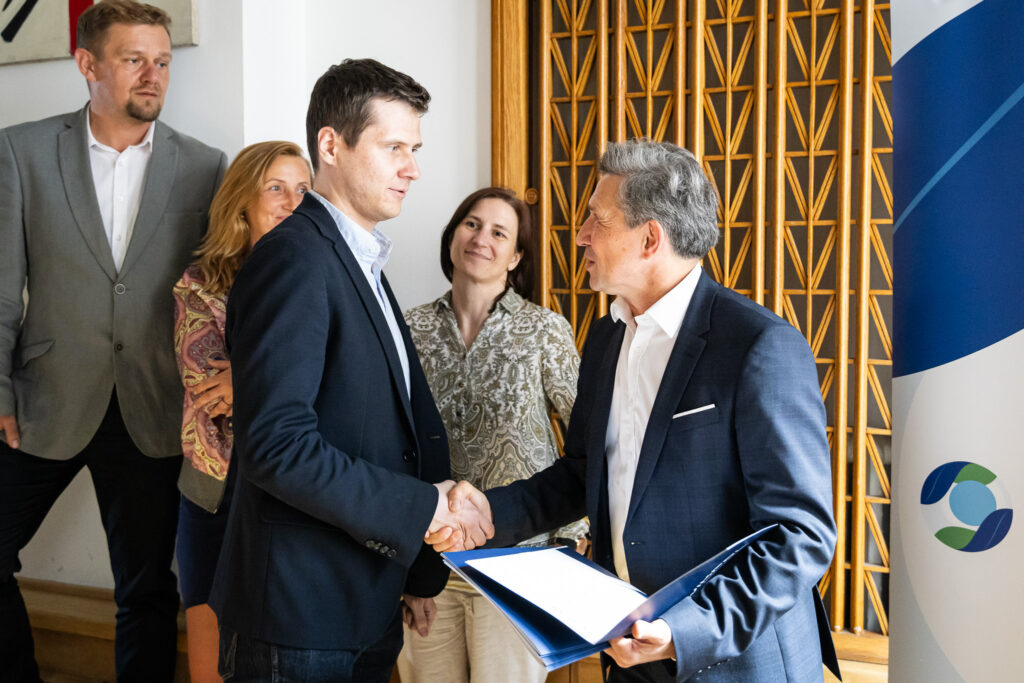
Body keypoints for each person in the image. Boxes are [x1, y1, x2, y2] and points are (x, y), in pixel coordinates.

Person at [434, 139, 838, 682]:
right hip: (627, 652)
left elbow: (798, 536)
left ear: (650, 238)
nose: (580, 235)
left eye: (596, 220)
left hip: (735, 663)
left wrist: (681, 632)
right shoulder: (606, 337)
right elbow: (581, 474)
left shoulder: (758, 345)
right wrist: (487, 511)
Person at [208, 58, 492, 683]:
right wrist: (420, 509)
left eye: (414, 150)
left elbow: (394, 426)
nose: (412, 168)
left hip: (366, 597)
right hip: (297, 611)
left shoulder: (358, 258)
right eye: (395, 148)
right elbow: (277, 447)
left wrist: (417, 571)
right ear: (331, 146)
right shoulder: (293, 258)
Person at [0, 1, 226, 681]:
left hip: (154, 406)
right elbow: (2, 289)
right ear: (87, 64)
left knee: (147, 588)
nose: (153, 75)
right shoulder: (21, 151)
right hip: (42, 401)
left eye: (162, 62)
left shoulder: (204, 165)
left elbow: (221, 288)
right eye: (134, 60)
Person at [399, 187, 588, 683]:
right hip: (427, 563)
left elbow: (588, 440)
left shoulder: (545, 330)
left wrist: (574, 536)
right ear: (452, 237)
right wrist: (402, 569)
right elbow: (390, 442)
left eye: (499, 232)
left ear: (516, 256)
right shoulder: (407, 329)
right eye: (472, 224)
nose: (481, 238)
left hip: (520, 565)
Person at [172, 141, 311, 683]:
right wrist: (281, 372)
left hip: (294, 494)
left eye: (303, 190)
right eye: (276, 188)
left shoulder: (323, 279)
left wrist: (246, 375)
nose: (292, 202)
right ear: (243, 204)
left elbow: (335, 386)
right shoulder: (199, 286)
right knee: (211, 656)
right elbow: (211, 392)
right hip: (215, 489)